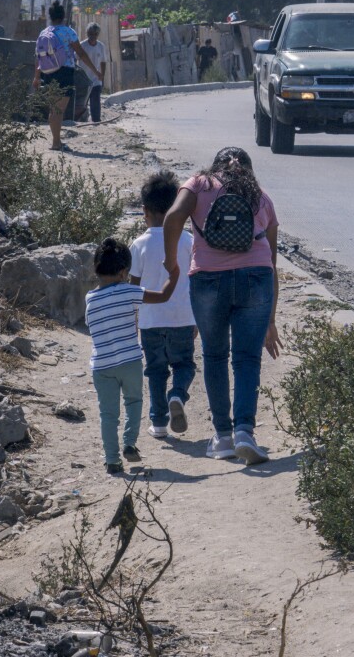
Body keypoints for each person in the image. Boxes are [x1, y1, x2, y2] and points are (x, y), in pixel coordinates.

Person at [161, 147, 280, 465]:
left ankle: (222, 437)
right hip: (256, 279)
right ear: (249, 172)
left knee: (214, 356)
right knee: (246, 359)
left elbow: (173, 217)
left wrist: (172, 263)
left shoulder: (199, 183)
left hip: (209, 281)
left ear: (215, 166)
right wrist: (270, 319)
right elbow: (271, 260)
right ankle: (245, 433)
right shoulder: (262, 197)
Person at [85, 238, 180, 473]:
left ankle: (112, 460)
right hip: (130, 362)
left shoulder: (90, 299)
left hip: (102, 365)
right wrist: (174, 273)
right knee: (134, 402)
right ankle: (129, 444)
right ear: (124, 271)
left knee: (108, 414)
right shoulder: (129, 291)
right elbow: (163, 295)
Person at [130, 171, 198, 439]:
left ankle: (158, 423)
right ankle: (178, 395)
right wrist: (197, 319)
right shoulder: (189, 241)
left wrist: (135, 320)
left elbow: (133, 288)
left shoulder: (138, 245)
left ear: (144, 211)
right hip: (183, 317)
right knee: (184, 366)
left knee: (155, 370)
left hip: (150, 321)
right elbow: (195, 281)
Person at [32, 3, 94, 151]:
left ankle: (56, 141)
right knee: (58, 110)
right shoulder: (68, 32)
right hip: (64, 72)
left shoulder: (44, 33)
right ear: (63, 16)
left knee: (54, 108)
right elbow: (81, 53)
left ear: (50, 16)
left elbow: (38, 58)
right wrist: (95, 70)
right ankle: (56, 143)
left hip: (48, 73)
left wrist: (36, 77)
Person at [80, 22, 109, 123]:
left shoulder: (101, 46)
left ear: (98, 34)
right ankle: (81, 119)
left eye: (95, 34)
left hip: (96, 79)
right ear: (87, 33)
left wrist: (102, 75)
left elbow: (103, 61)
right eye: (90, 34)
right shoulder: (82, 45)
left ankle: (96, 120)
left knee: (95, 100)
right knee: (82, 102)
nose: (92, 36)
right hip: (83, 79)